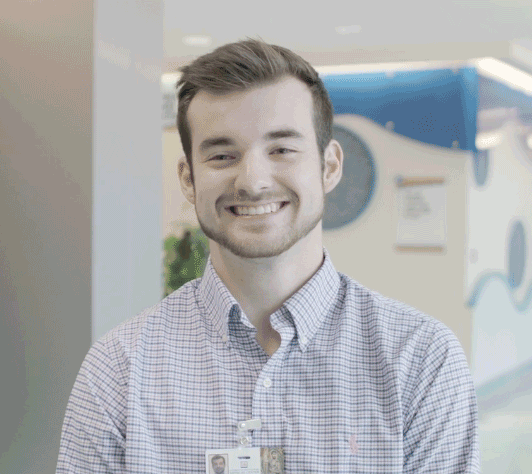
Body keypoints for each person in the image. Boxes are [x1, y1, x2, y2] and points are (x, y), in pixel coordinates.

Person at [56, 38, 480, 473]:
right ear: (189, 178)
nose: (253, 181)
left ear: (329, 166)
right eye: (223, 155)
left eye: (281, 149)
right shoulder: (120, 370)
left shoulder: (420, 361)